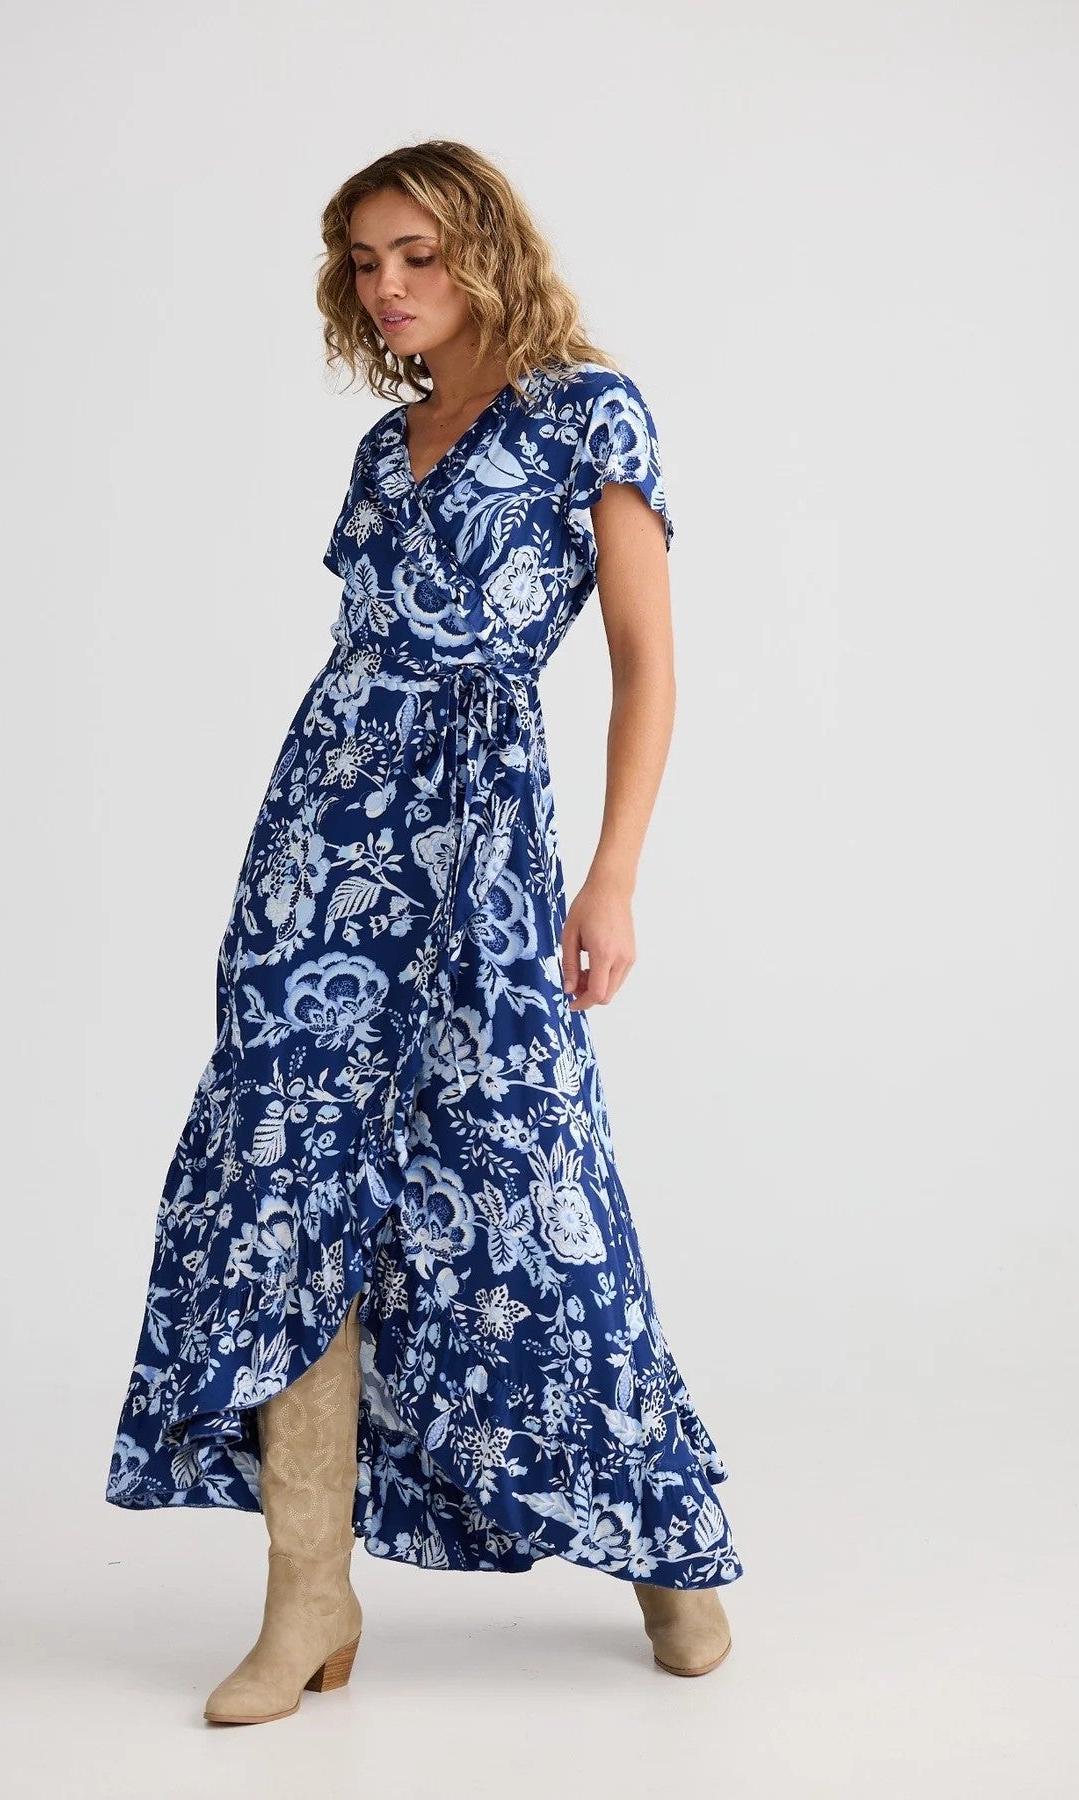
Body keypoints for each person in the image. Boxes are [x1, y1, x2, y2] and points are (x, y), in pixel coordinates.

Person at [105, 139, 745, 1725]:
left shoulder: (588, 410)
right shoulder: (387, 452)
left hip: (485, 845)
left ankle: (663, 1538)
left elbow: (647, 667)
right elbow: (355, 662)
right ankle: (306, 1595)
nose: (387, 288)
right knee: (288, 1176)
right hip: (317, 846)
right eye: (362, 262)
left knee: (529, 1183)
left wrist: (610, 876)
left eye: (415, 254)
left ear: (481, 248)